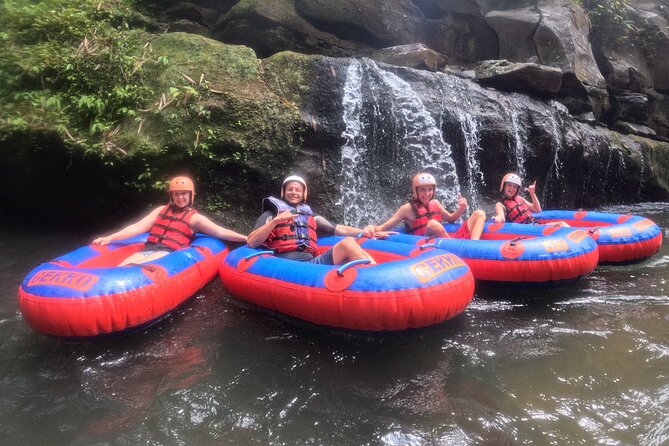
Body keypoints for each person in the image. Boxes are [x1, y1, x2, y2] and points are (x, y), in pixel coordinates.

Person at [93, 176, 247, 265]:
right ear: (171, 196)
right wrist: (110, 237)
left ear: (191, 195)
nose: (180, 198)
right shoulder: (160, 210)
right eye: (176, 194)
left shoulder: (195, 219)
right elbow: (137, 227)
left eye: (184, 194)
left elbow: (221, 231)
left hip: (167, 252)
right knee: (122, 267)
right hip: (148, 248)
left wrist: (245, 238)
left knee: (137, 267)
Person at [246, 175, 382, 265]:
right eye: (290, 189)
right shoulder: (271, 214)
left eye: (297, 190)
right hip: (285, 267)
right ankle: (375, 278)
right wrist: (275, 221)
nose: (294, 192)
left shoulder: (311, 216)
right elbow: (251, 242)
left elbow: (338, 228)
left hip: (312, 266)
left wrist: (365, 233)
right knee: (347, 244)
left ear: (303, 194)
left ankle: (375, 274)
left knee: (348, 243)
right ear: (284, 192)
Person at [363, 172, 486, 240]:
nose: (427, 194)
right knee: (433, 224)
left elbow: (451, 219)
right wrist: (371, 228)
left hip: (448, 239)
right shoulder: (407, 209)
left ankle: (472, 246)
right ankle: (456, 246)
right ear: (415, 191)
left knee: (479, 213)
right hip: (431, 244)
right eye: (422, 190)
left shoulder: (435, 203)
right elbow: (383, 227)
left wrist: (461, 209)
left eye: (430, 189)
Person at [493, 173, 569, 226]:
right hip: (526, 229)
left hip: (534, 225)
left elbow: (537, 209)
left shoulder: (520, 199)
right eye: (509, 185)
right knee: (561, 224)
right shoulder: (500, 205)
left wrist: (532, 193)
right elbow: (501, 216)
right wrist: (498, 218)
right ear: (503, 186)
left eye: (515, 186)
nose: (512, 188)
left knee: (562, 224)